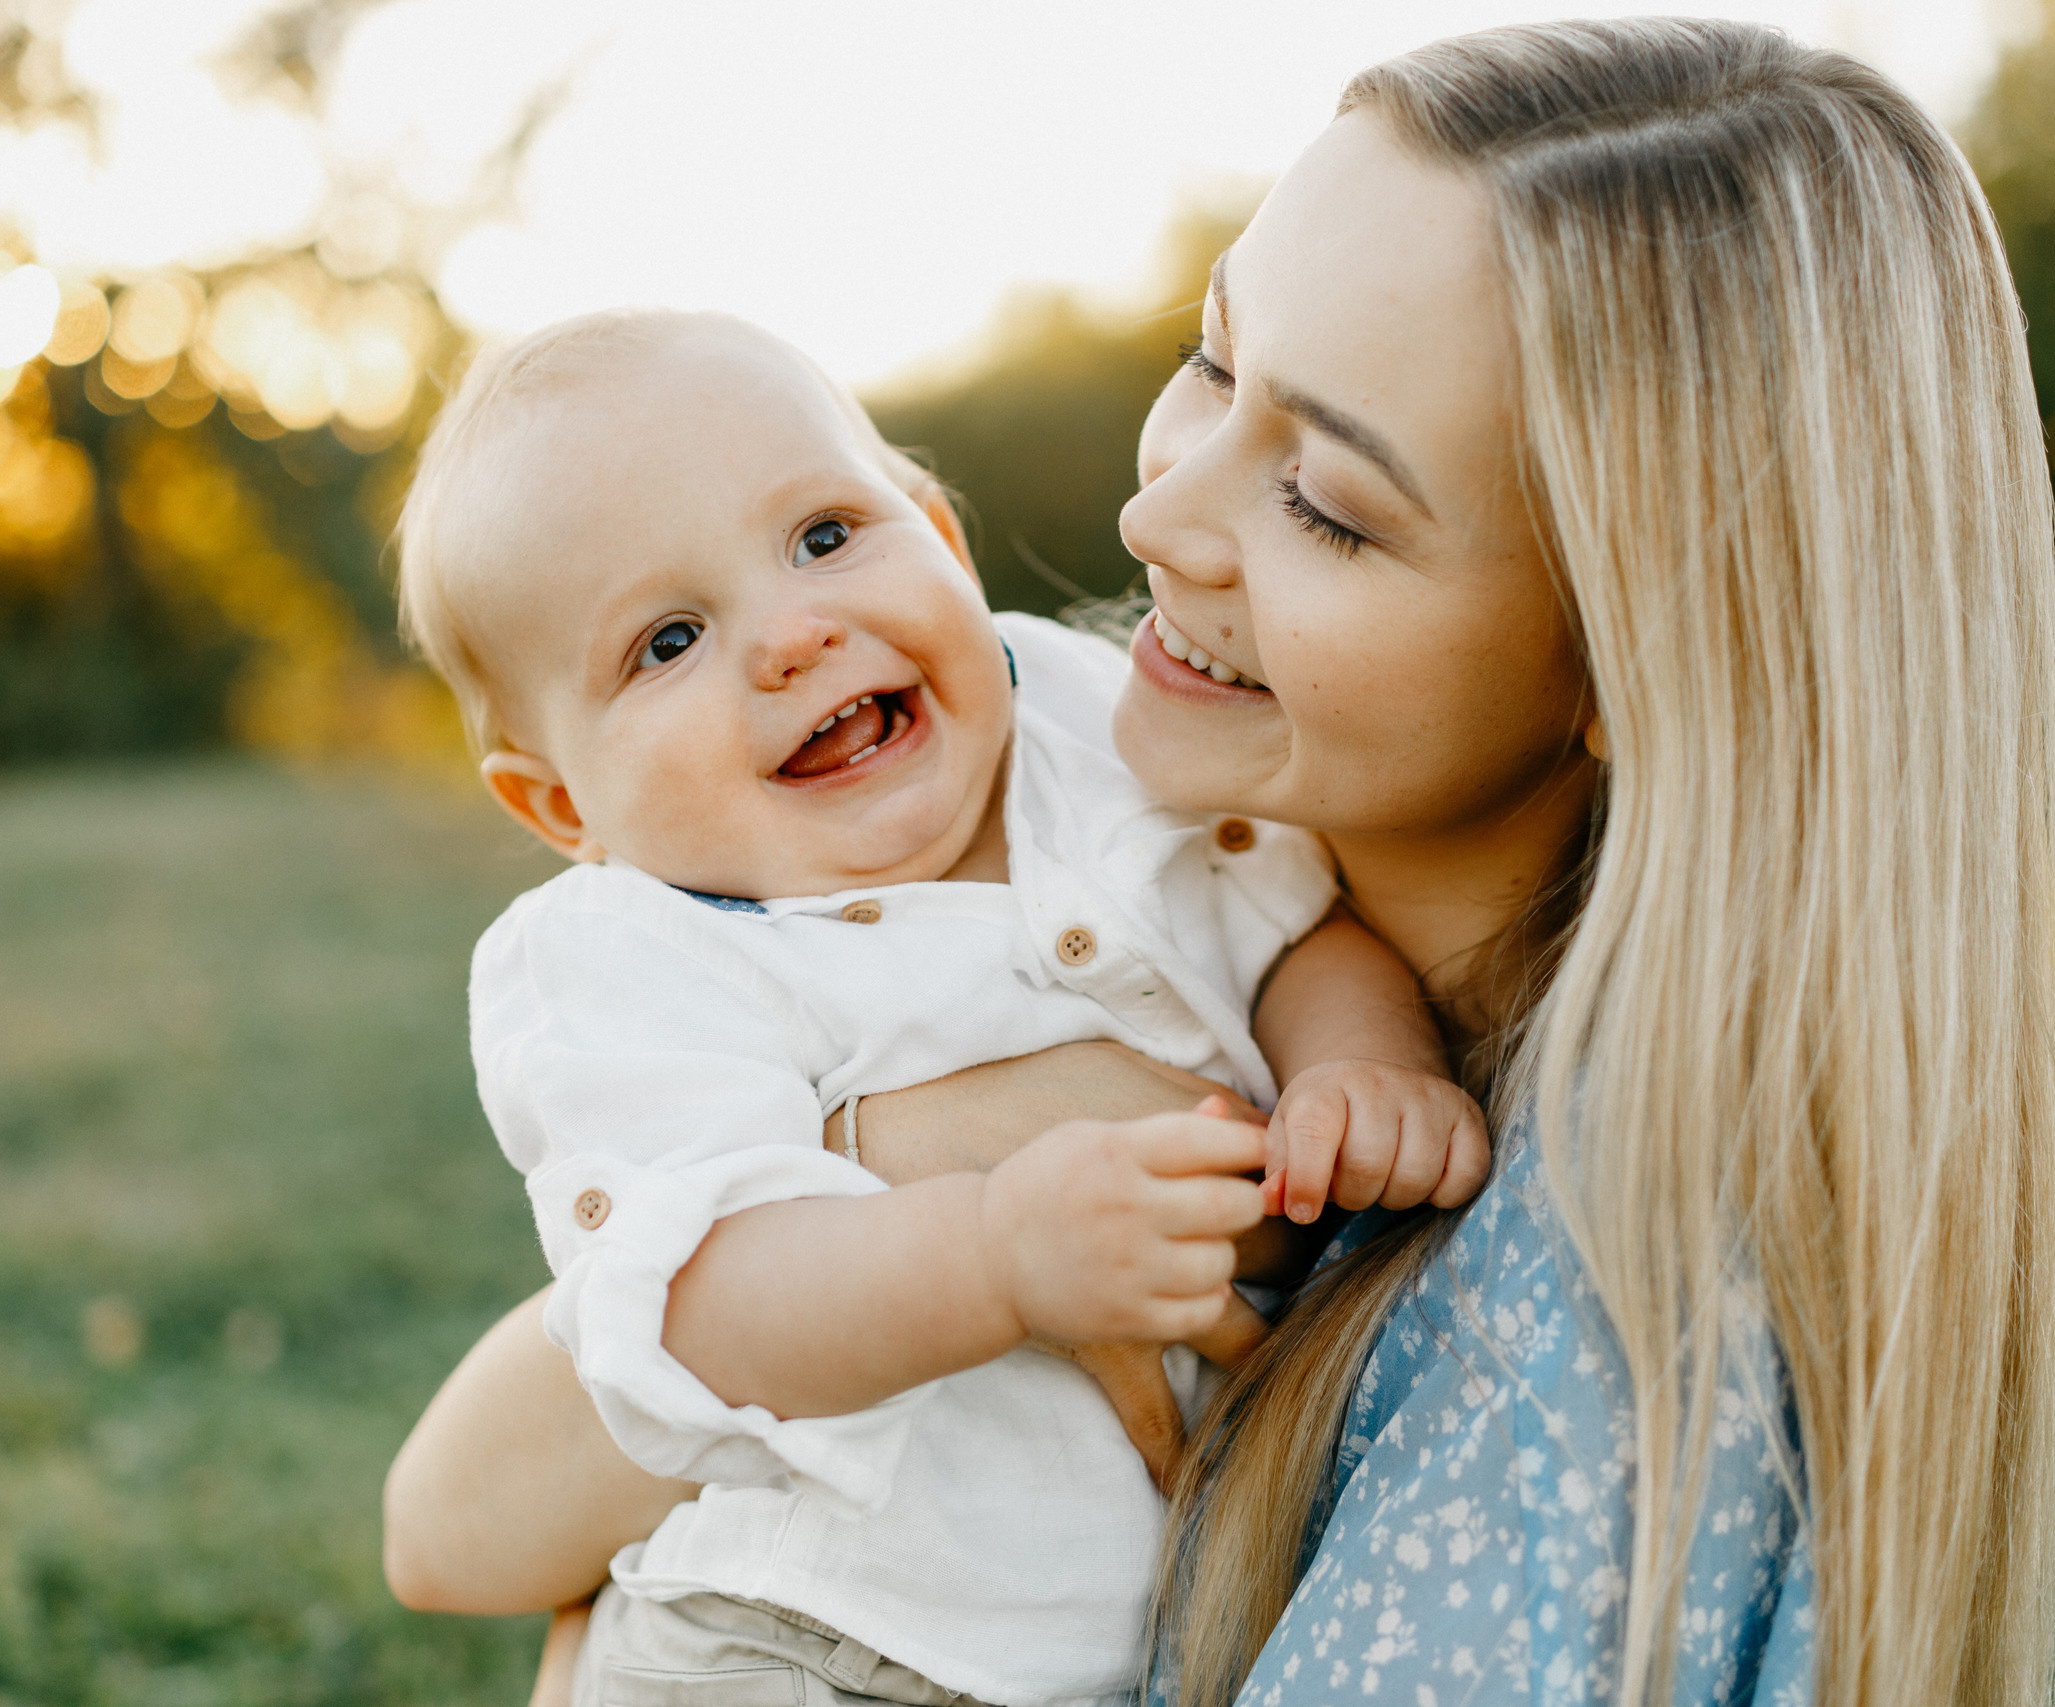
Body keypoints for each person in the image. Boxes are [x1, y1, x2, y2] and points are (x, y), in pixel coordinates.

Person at [386, 19, 2055, 1707]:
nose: (1155, 521)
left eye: (1329, 503)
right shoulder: (858, 891)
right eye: (1210, 359)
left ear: (1632, 661)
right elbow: (450, 1524)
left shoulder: (1578, 1334)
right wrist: (938, 1157)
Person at [388, 307, 1492, 1707]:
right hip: (800, 1645)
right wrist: (993, 1253)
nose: (792, 634)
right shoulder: (635, 963)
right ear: (563, 806)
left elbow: (1292, 930)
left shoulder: (1095, 726)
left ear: (944, 543)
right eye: (667, 641)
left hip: (1116, 1651)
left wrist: (1359, 1060)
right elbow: (702, 1305)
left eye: (827, 536)